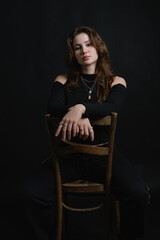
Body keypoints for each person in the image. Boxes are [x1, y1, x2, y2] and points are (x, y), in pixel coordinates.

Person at [24, 25, 150, 240]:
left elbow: (113, 107)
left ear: (98, 47)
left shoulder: (115, 81)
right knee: (31, 192)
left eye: (89, 44)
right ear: (72, 53)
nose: (84, 50)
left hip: (104, 157)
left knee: (137, 193)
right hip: (67, 156)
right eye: (77, 47)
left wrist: (80, 109)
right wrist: (77, 113)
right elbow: (52, 108)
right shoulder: (63, 80)